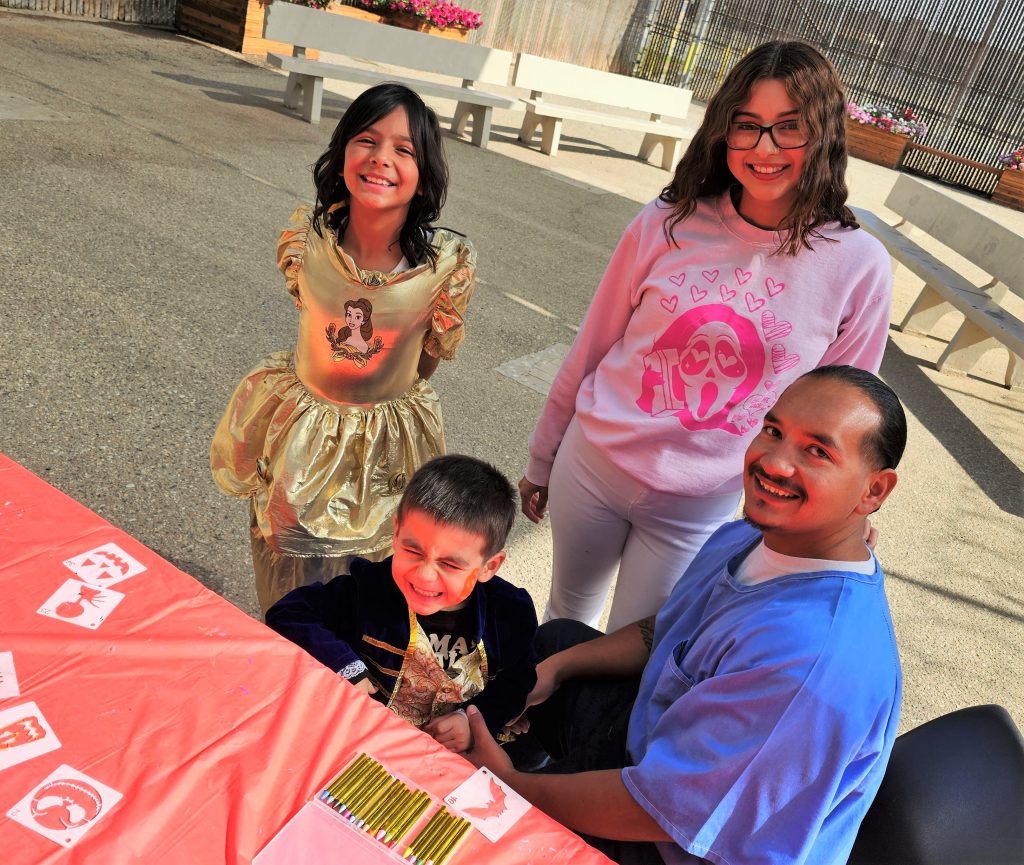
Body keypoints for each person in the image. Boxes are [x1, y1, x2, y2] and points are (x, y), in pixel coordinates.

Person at [519, 41, 893, 631]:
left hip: (701, 505)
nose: (764, 149)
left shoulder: (858, 265)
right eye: (748, 126)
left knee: (635, 650)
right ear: (723, 132)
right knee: (566, 617)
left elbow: (847, 414)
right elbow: (592, 346)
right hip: (593, 466)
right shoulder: (666, 221)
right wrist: (543, 456)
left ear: (823, 135)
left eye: (788, 128)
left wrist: (842, 511)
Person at [468, 366, 906, 865]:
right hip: (656, 749)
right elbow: (669, 632)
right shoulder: (750, 536)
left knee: (479, 833)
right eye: (774, 431)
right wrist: (555, 670)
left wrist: (509, 786)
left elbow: (664, 811)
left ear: (873, 491)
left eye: (818, 452)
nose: (775, 462)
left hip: (675, 845)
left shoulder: (813, 661)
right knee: (553, 645)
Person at [211, 84, 477, 613]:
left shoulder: (444, 267)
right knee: (288, 574)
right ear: (342, 152)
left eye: (404, 150)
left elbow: (427, 359)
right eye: (367, 140)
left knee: (368, 585)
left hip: (385, 450)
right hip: (303, 443)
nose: (381, 160)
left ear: (425, 174)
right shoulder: (307, 240)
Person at [266, 455, 538, 753]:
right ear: (396, 532)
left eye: (449, 564)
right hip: (367, 742)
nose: (424, 575)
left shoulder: (511, 614)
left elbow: (518, 680)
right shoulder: (369, 589)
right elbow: (290, 612)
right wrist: (346, 668)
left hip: (453, 759)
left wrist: (472, 721)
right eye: (412, 550)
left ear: (489, 566)